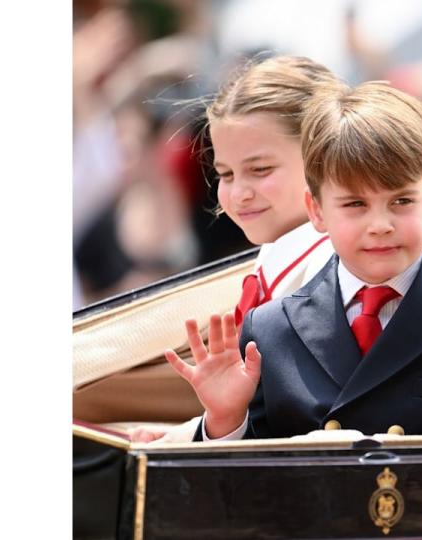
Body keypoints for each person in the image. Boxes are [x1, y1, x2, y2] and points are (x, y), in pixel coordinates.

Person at [165, 81, 422, 440]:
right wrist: (226, 419)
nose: (380, 226)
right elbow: (247, 481)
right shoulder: (271, 328)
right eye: (355, 204)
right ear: (317, 211)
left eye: (401, 202)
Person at [127, 55, 338, 443]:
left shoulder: (332, 276)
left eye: (260, 170)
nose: (238, 193)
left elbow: (294, 426)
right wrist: (188, 434)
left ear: (324, 160)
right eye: (225, 174)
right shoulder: (278, 264)